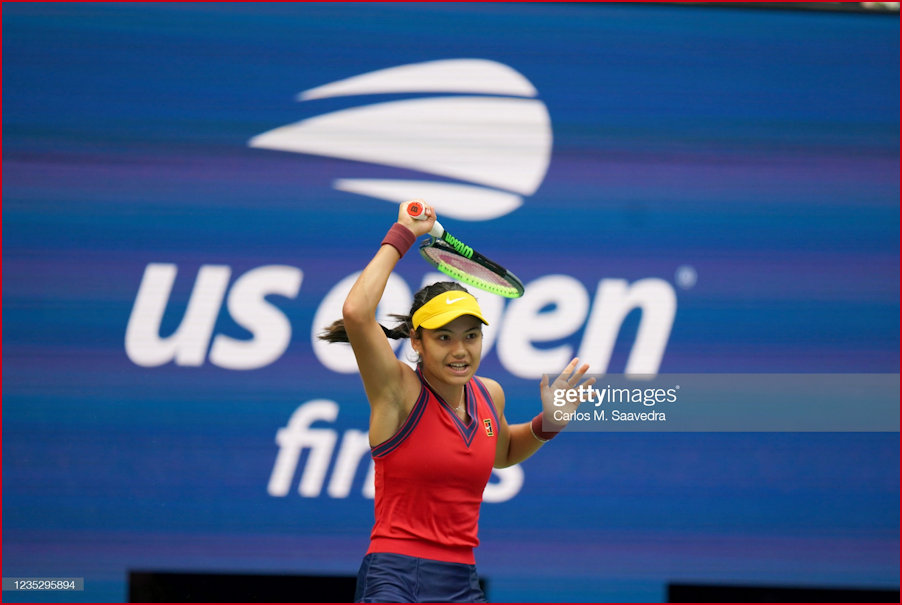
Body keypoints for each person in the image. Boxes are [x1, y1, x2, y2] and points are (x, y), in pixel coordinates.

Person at [319, 199, 593, 603]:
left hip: (461, 582)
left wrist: (546, 423)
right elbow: (357, 312)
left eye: (470, 335)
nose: (460, 350)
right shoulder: (397, 390)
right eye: (443, 337)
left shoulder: (489, 394)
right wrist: (403, 235)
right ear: (417, 341)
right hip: (396, 577)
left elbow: (502, 452)